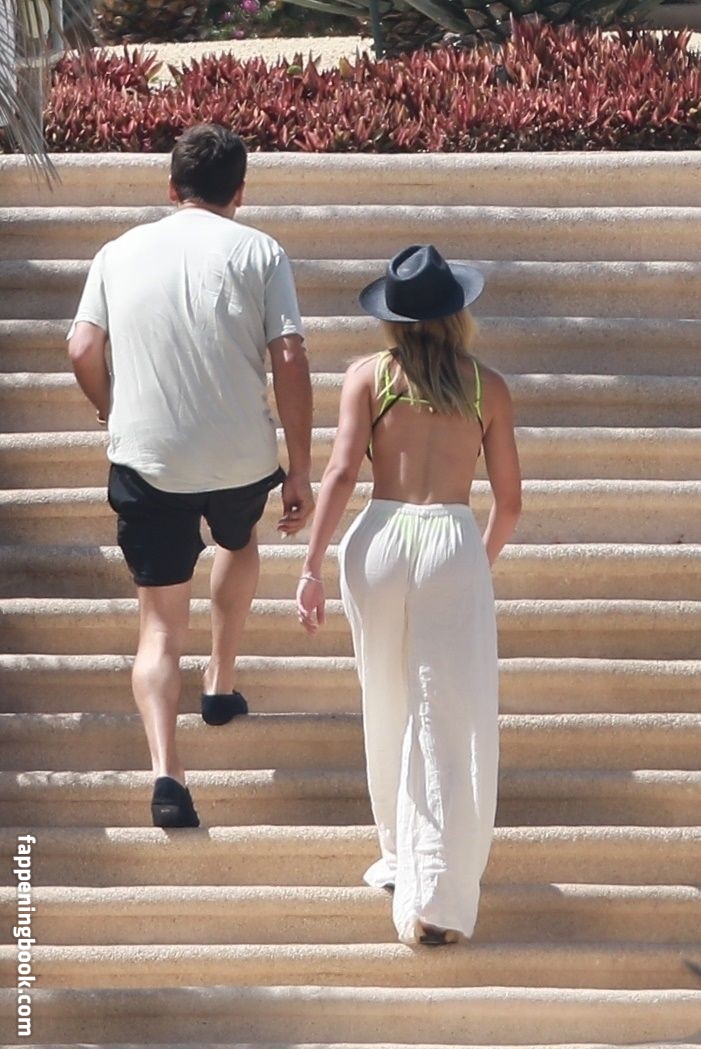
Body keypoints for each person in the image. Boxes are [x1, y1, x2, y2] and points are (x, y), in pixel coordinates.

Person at [67, 123, 314, 829]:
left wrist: (111, 407)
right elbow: (289, 356)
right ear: (240, 192)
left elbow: (81, 347)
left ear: (172, 187)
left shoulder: (117, 251)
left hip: (149, 459)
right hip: (240, 458)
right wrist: (300, 467)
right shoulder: (260, 250)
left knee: (158, 626)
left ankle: (167, 774)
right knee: (238, 540)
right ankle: (220, 681)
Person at [296, 244, 522, 946]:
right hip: (451, 537)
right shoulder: (487, 387)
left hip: (380, 538)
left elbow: (339, 474)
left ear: (392, 317)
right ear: (457, 312)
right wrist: (474, 563)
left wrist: (310, 565)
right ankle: (439, 897)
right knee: (449, 714)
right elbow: (510, 501)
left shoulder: (368, 376)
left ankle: (400, 856)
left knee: (387, 699)